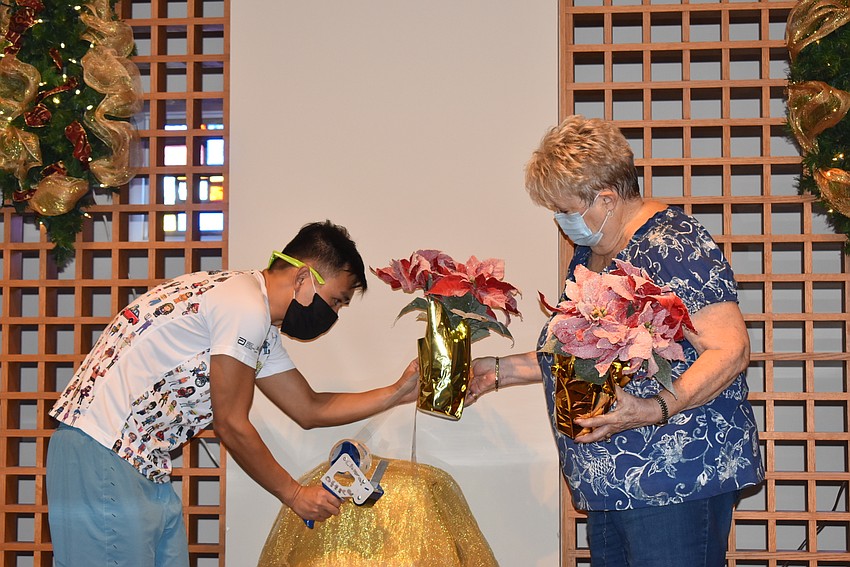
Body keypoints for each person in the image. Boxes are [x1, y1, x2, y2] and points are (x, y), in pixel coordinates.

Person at [467, 116, 764, 566]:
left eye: (566, 210)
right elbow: (583, 356)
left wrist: (654, 407)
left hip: (672, 481)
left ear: (607, 197)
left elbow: (731, 348)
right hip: (613, 484)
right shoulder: (594, 253)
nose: (561, 222)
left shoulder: (672, 244)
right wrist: (496, 370)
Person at [46, 220, 419, 567]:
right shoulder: (242, 304)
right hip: (101, 450)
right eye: (336, 300)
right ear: (304, 276)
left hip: (142, 463)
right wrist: (294, 494)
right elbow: (231, 422)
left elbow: (309, 407)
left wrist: (400, 391)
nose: (333, 314)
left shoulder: (258, 323)